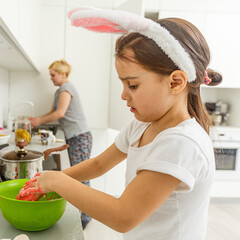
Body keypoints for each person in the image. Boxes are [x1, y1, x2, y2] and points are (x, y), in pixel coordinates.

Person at [19, 7, 223, 240]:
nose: (123, 95)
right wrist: (46, 180)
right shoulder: (142, 125)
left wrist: (56, 181)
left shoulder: (182, 142)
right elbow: (98, 165)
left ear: (175, 83)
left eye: (133, 85)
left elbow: (123, 216)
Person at [29, 59, 93, 228]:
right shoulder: (60, 91)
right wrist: (37, 121)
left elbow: (59, 113)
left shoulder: (66, 88)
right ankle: (84, 215)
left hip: (80, 137)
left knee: (82, 177)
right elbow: (52, 112)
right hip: (76, 137)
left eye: (53, 75)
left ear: (63, 74)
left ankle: (85, 217)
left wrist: (39, 120)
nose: (51, 78)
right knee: (80, 175)